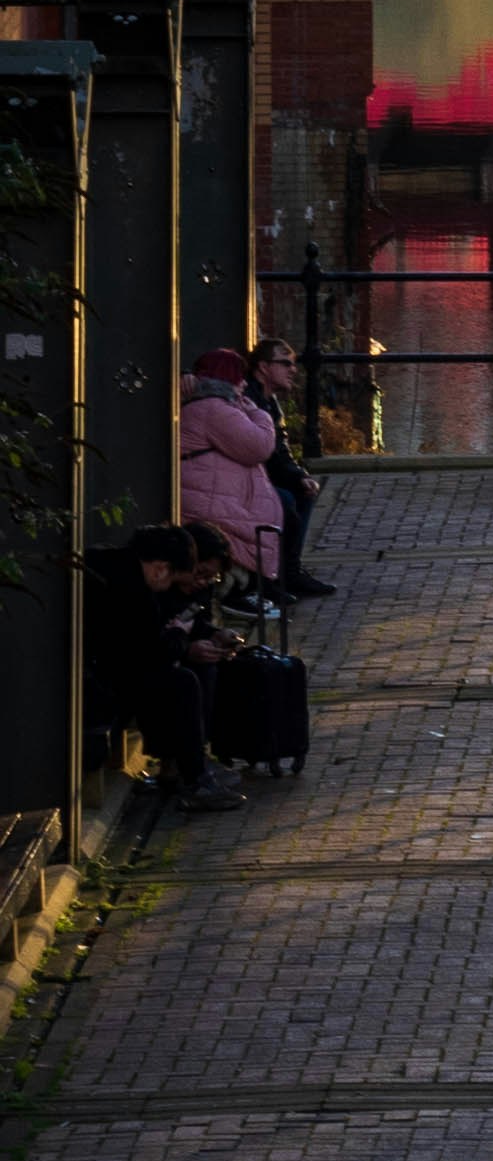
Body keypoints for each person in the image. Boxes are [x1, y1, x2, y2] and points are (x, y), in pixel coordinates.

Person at [84, 534, 242, 812]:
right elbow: (153, 652)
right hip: (101, 681)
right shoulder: (133, 589)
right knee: (180, 683)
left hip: (106, 670)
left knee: (181, 678)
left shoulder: (116, 568)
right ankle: (193, 777)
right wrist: (180, 638)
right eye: (170, 579)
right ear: (160, 568)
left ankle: (188, 769)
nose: (167, 586)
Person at [179, 354, 280, 588]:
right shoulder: (214, 408)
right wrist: (258, 413)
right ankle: (238, 587)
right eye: (239, 377)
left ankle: (250, 585)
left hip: (211, 494)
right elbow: (259, 445)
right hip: (207, 498)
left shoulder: (213, 406)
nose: (244, 384)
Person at [242, 338, 328, 599]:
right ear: (264, 367)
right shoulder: (247, 399)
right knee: (285, 500)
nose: (293, 369)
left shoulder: (270, 402)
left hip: (265, 476)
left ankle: (290, 571)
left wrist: (299, 475)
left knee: (304, 491)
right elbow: (254, 450)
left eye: (293, 363)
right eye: (285, 363)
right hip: (247, 479)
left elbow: (279, 451)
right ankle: (271, 576)